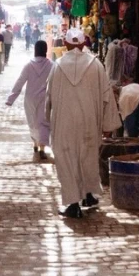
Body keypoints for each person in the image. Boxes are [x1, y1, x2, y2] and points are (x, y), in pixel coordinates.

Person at [45, 28, 122, 218]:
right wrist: (108, 125)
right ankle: (89, 195)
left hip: (64, 123)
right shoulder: (96, 65)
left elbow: (48, 97)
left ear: (67, 44)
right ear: (82, 44)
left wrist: (48, 118)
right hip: (89, 122)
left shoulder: (58, 66)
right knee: (88, 158)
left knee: (67, 160)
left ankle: (72, 203)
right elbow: (107, 96)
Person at [6, 40, 54, 159]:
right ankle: (42, 146)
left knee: (33, 122)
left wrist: (11, 99)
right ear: (46, 50)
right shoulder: (52, 65)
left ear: (35, 50)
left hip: (30, 98)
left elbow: (20, 81)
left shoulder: (29, 65)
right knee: (43, 123)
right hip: (45, 98)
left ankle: (35, 144)